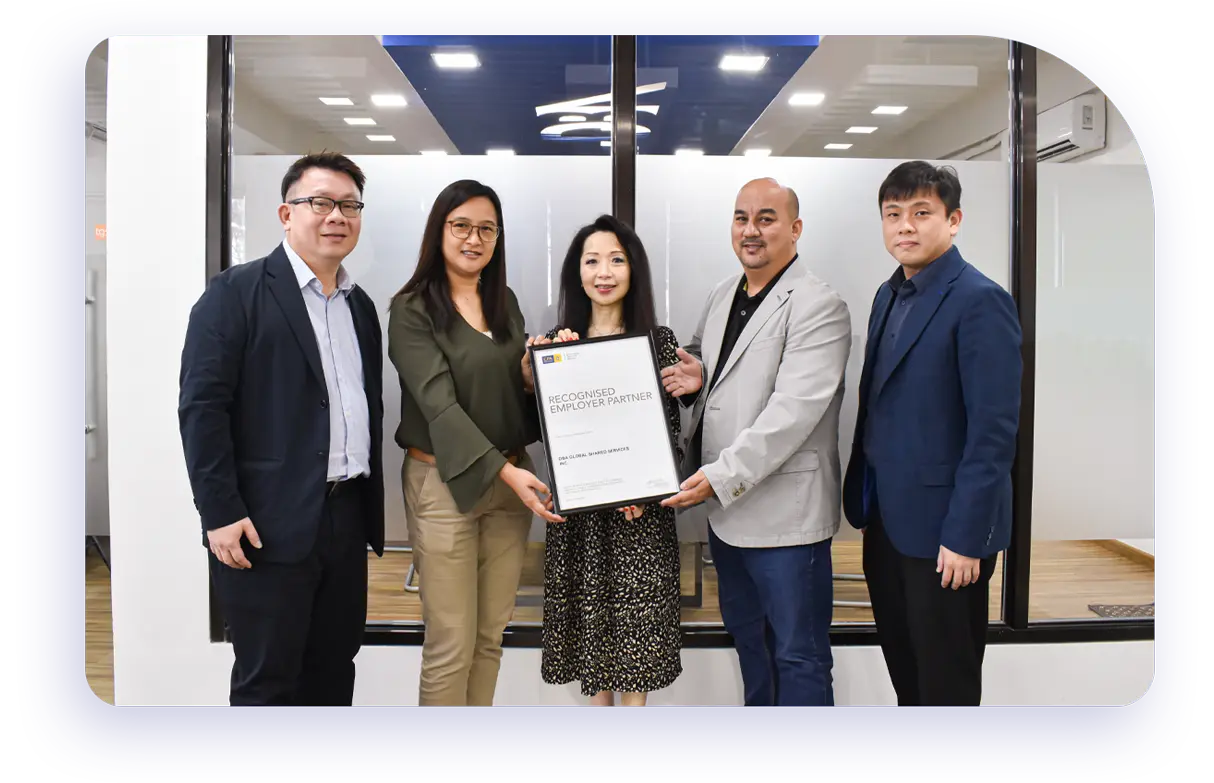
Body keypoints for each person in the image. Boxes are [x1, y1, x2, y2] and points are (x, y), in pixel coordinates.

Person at [178, 151, 385, 706]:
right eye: (320, 202)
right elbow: (202, 409)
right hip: (264, 524)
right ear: (286, 214)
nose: (336, 216)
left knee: (333, 671)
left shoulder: (360, 306)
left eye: (349, 205)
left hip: (345, 516)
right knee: (268, 682)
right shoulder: (235, 293)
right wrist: (219, 512)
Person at [660, 177, 851, 706]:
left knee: (799, 656)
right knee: (752, 649)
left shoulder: (819, 305)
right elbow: (716, 374)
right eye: (741, 218)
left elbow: (792, 413)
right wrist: (699, 378)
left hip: (786, 521)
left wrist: (716, 479)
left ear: (795, 228)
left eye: (766, 219)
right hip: (728, 517)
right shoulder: (723, 294)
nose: (751, 230)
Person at [842, 161, 1022, 707]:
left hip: (947, 536)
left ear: (954, 220)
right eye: (893, 214)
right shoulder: (888, 294)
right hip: (887, 524)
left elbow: (993, 434)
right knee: (908, 679)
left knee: (947, 688)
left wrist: (966, 537)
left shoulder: (979, 299)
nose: (905, 226)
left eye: (922, 213)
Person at [387, 179, 564, 707]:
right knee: (451, 645)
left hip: (508, 486)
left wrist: (533, 376)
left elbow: (505, 388)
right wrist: (509, 473)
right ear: (438, 231)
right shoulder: (412, 309)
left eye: (487, 229)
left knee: (489, 638)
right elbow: (439, 406)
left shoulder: (503, 301)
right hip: (444, 484)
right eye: (461, 225)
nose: (474, 238)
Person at [521, 215, 683, 706]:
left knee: (636, 659)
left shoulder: (659, 341)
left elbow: (671, 435)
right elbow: (548, 433)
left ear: (634, 270)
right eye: (592, 261)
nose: (604, 272)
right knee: (593, 657)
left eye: (616, 260)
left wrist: (647, 490)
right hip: (583, 520)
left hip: (640, 519)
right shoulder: (558, 344)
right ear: (577, 272)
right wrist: (533, 375)